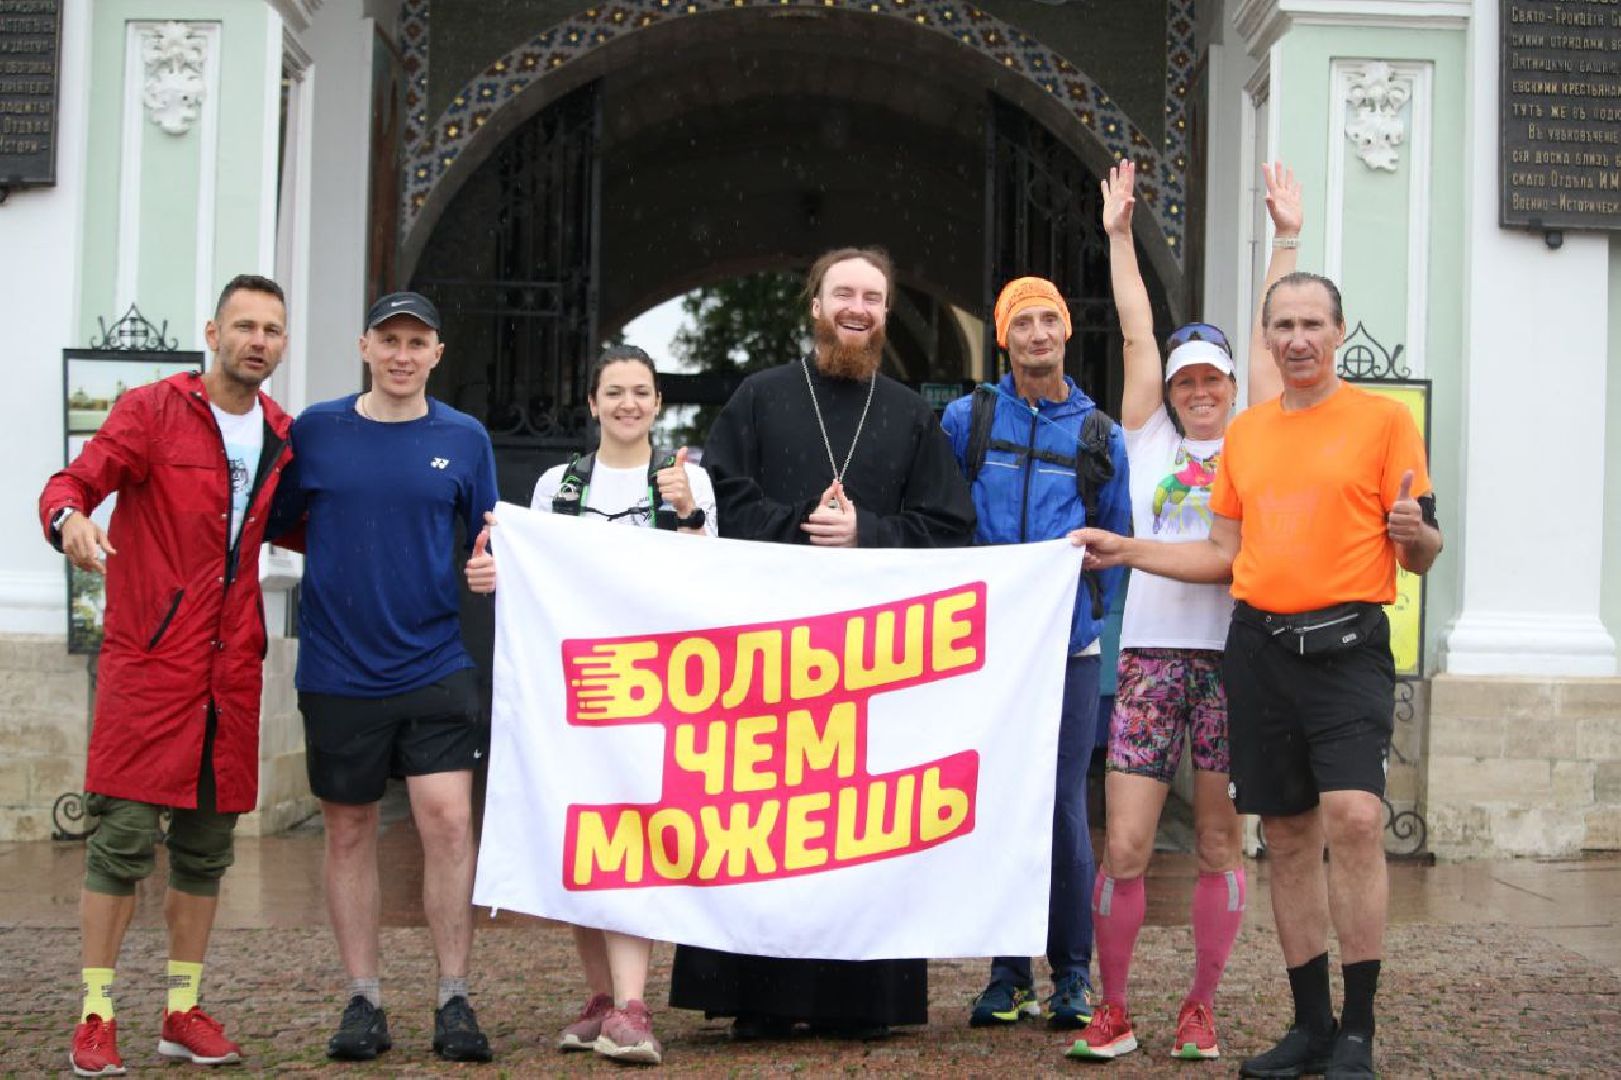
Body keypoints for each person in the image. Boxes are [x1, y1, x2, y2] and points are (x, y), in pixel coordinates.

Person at [1072, 271, 1443, 1079]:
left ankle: (1359, 1030)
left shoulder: (1383, 423)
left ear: (1338, 332)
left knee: (1351, 819)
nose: (1299, 337)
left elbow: (1420, 549)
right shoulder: (1247, 438)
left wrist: (1415, 535)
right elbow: (1223, 556)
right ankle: (1310, 1025)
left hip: (1346, 648)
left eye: (1313, 323)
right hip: (1259, 651)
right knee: (1283, 835)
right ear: (1268, 340)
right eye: (1284, 324)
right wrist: (1125, 548)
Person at [666, 245, 976, 1040]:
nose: (857, 308)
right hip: (765, 657)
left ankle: (858, 1000)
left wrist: (867, 531)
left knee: (859, 829)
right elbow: (718, 499)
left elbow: (949, 530)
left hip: (874, 665)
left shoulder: (911, 414)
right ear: (815, 304)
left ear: (882, 313)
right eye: (844, 292)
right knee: (765, 823)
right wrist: (808, 525)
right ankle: (760, 994)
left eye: (872, 297)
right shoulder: (760, 398)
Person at [1066, 160, 1299, 1063]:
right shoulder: (1147, 437)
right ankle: (1111, 1008)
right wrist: (1118, 236)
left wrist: (1285, 240)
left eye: (1213, 379)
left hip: (1234, 659)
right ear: (1168, 389)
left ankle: (1198, 1008)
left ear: (1237, 384)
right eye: (1185, 379)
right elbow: (1134, 332)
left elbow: (1268, 333)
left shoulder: (1256, 432)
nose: (1199, 389)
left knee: (1215, 840)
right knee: (1123, 843)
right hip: (1150, 657)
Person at [39, 274, 293, 1076]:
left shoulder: (283, 435)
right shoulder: (152, 412)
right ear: (212, 332)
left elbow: (328, 523)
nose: (259, 341)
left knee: (205, 851)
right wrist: (70, 519)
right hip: (151, 667)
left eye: (273, 330)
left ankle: (181, 1010)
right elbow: (74, 481)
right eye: (245, 325)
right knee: (118, 844)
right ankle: (96, 1014)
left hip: (230, 674)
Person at [464, 344, 718, 1066]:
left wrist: (689, 513)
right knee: (580, 835)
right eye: (615, 391)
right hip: (574, 690)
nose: (628, 404)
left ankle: (635, 1007)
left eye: (641, 392)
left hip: (657, 692)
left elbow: (714, 581)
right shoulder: (557, 483)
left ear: (658, 402)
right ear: (593, 402)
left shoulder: (684, 477)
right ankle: (602, 999)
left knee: (628, 835)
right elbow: (529, 578)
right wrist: (492, 570)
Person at [269, 291, 499, 1064]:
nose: (403, 355)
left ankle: (454, 995)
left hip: (435, 662)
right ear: (364, 346)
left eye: (418, 342)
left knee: (447, 823)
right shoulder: (316, 431)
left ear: (438, 354)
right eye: (389, 339)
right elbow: (283, 520)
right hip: (338, 668)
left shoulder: (465, 440)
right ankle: (363, 998)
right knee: (348, 829)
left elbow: (490, 536)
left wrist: (485, 568)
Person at [937, 276, 1131, 1032]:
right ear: (1003, 337)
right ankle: (1006, 973)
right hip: (983, 650)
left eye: (1050, 319)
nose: (1038, 334)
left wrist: (1080, 599)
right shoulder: (967, 419)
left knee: (1057, 810)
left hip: (1066, 652)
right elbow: (944, 519)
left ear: (1067, 333)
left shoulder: (1098, 435)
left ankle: (1071, 975)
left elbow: (1111, 545)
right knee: (990, 804)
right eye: (1024, 323)